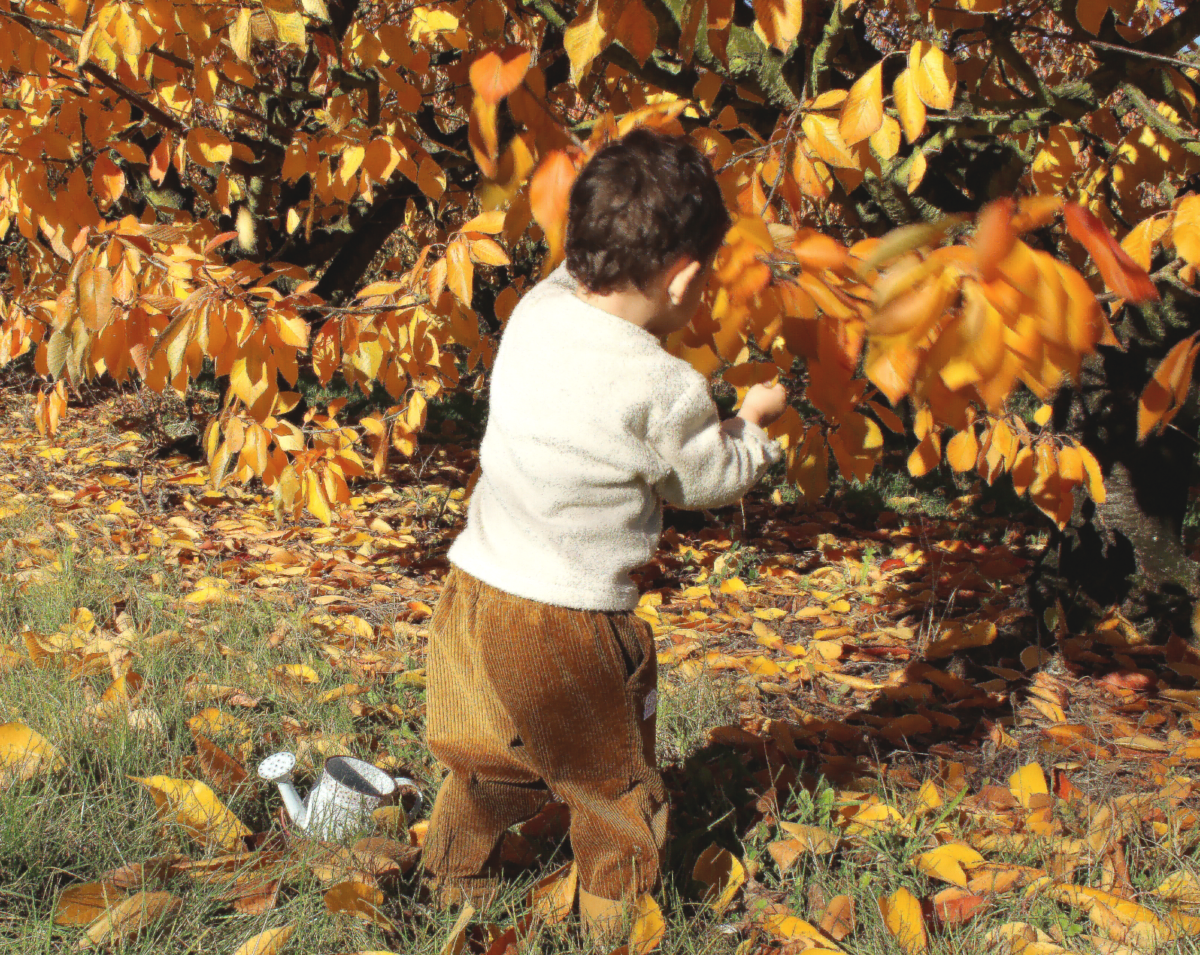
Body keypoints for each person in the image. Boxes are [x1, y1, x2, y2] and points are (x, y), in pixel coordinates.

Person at [420, 127, 789, 939]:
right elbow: (702, 477)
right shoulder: (662, 381)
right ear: (685, 276)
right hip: (570, 623)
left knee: (493, 757)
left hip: (476, 589)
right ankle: (616, 921)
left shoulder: (536, 308)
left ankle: (453, 876)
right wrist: (753, 428)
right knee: (612, 782)